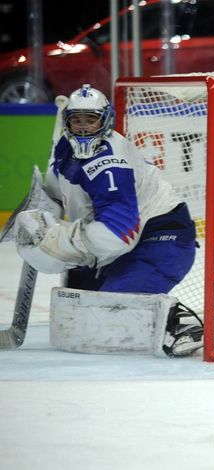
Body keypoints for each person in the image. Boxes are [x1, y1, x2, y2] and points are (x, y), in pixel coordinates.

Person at [12, 84, 202, 355]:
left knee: (109, 313)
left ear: (106, 121)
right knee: (81, 312)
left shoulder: (111, 164)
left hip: (160, 242)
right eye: (76, 120)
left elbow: (119, 234)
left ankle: (177, 323)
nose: (83, 127)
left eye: (91, 120)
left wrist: (62, 244)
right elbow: (58, 193)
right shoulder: (66, 148)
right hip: (124, 243)